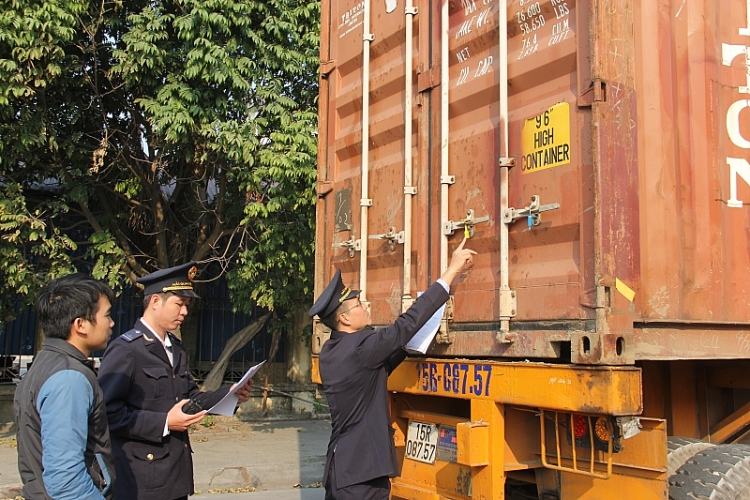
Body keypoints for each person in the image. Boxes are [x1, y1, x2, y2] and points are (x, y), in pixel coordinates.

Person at [311, 237, 476, 500]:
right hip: (360, 477)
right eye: (358, 305)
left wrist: (408, 344)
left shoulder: (332, 351)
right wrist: (451, 271)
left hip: (345, 470)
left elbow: (378, 366)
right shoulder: (361, 348)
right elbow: (403, 326)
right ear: (344, 318)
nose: (365, 307)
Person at [97, 262, 253, 500]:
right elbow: (108, 413)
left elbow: (190, 398)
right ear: (155, 302)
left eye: (187, 305)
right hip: (141, 480)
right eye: (179, 304)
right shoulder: (126, 350)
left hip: (175, 475)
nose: (184, 312)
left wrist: (230, 393)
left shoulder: (175, 348)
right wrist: (165, 422)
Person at [14, 274, 117, 500]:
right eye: (107, 315)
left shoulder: (45, 363)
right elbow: (66, 479)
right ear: (80, 324)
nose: (112, 323)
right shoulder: (69, 378)